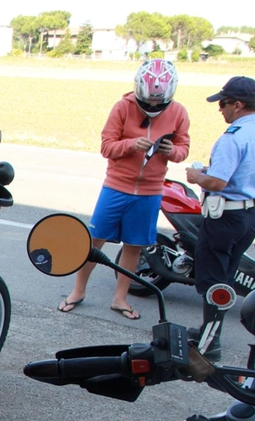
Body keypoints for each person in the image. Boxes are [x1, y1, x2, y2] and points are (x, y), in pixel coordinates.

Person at [59, 59, 190, 320]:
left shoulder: (178, 112)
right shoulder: (122, 107)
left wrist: (171, 151)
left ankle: (120, 298)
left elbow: (184, 149)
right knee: (95, 241)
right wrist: (130, 145)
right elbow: (106, 147)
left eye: (159, 103)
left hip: (150, 192)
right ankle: (77, 291)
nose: (153, 107)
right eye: (148, 102)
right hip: (116, 187)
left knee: (134, 246)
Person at [184, 76, 255, 361]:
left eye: (223, 103)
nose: (219, 109)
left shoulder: (233, 138)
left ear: (238, 105)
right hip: (247, 215)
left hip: (226, 216)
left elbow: (218, 183)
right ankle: (207, 331)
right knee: (223, 276)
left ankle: (210, 345)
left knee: (214, 282)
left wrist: (198, 176)